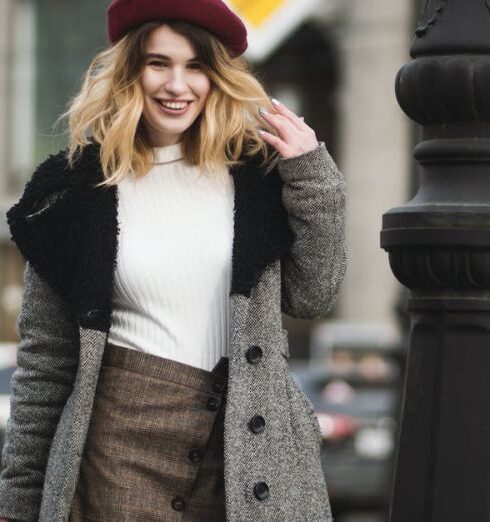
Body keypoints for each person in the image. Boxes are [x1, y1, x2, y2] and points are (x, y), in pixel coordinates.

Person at [0, 0, 347, 520]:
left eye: (195, 67)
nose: (176, 85)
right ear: (129, 71)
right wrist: (17, 501)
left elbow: (314, 294)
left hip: (246, 452)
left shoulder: (258, 179)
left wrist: (313, 176)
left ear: (217, 78)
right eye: (158, 63)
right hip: (114, 455)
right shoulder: (74, 191)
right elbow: (45, 362)